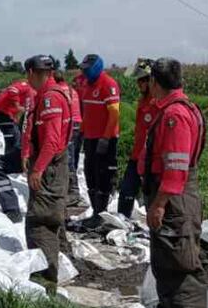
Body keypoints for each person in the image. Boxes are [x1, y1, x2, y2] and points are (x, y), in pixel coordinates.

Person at [138, 58, 208, 308]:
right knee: (166, 257)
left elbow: (177, 167)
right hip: (173, 196)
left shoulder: (174, 116)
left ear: (155, 82)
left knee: (180, 260)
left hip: (174, 199)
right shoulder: (174, 109)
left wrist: (159, 203)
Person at [21, 54, 73, 292]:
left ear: (32, 72)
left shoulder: (51, 98)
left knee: (39, 223)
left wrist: (38, 169)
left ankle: (46, 282)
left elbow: (51, 142)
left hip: (50, 168)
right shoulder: (53, 93)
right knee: (51, 219)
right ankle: (60, 267)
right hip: (54, 166)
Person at [74, 53, 120, 227]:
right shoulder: (86, 84)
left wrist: (106, 138)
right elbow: (87, 111)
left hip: (105, 139)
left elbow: (114, 114)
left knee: (103, 177)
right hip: (90, 138)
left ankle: (101, 214)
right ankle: (95, 212)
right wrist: (82, 131)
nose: (85, 73)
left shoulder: (108, 84)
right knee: (90, 175)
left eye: (87, 70)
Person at [0, 76, 35, 222]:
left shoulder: (33, 92)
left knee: (13, 138)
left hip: (2, 114)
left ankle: (12, 210)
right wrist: (18, 107)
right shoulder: (26, 86)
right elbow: (14, 92)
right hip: (2, 114)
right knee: (12, 137)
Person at [117, 58, 154, 218]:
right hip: (137, 154)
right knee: (126, 191)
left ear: (150, 80)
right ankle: (121, 222)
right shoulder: (143, 100)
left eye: (141, 81)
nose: (138, 84)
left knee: (150, 195)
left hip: (151, 158)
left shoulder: (157, 102)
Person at [56, 71, 85, 209]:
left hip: (69, 126)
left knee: (68, 159)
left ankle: (72, 192)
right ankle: (71, 189)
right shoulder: (71, 90)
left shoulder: (58, 91)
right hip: (78, 124)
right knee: (73, 158)